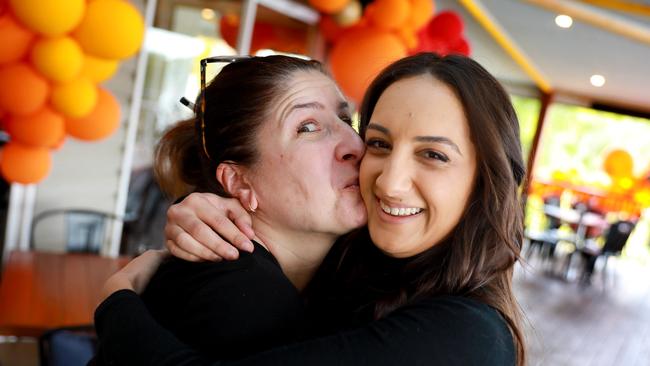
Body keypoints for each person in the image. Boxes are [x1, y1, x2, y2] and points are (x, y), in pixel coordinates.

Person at [95, 53, 526, 365]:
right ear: (237, 181)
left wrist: (118, 302)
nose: (359, 152)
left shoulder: (467, 335)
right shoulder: (322, 276)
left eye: (433, 154)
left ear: (487, 179)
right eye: (379, 141)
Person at [91, 55, 367, 363]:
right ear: (239, 182)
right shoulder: (243, 297)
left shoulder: (331, 271)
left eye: (345, 120)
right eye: (308, 127)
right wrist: (116, 299)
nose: (355, 145)